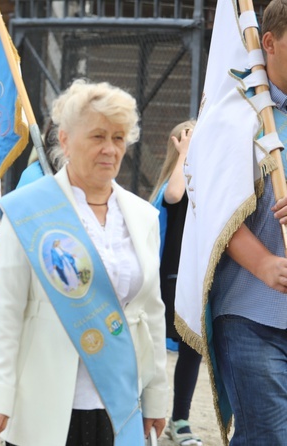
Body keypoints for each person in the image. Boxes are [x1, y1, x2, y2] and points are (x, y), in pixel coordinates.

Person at [0, 79, 168, 445]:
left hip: (119, 403)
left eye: (118, 137)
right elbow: (4, 311)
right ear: (64, 140)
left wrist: (156, 398)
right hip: (45, 402)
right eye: (97, 136)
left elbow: (151, 315)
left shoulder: (142, 216)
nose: (110, 149)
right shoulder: (29, 209)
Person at [208, 2, 287, 443]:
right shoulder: (232, 114)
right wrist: (263, 264)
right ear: (269, 43)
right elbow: (211, 204)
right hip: (251, 314)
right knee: (268, 438)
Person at [149, 120, 202, 446]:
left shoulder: (203, 184)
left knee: (191, 349)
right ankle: (146, 416)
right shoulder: (175, 183)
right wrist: (183, 154)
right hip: (169, 278)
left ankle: (179, 420)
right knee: (153, 348)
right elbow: (174, 193)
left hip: (194, 277)